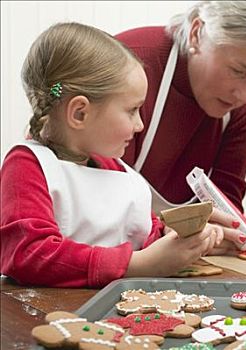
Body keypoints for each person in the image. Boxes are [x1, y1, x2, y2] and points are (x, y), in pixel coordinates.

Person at [0, 22, 226, 288]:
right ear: (80, 113)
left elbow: (144, 236)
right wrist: (138, 264)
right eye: (131, 110)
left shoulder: (119, 172)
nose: (140, 124)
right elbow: (29, 255)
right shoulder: (28, 166)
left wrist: (178, 238)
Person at [116, 1, 246, 249]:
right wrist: (168, 228)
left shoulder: (244, 105)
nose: (245, 94)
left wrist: (234, 228)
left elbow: (226, 196)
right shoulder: (130, 63)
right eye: (238, 71)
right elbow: (102, 197)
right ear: (197, 33)